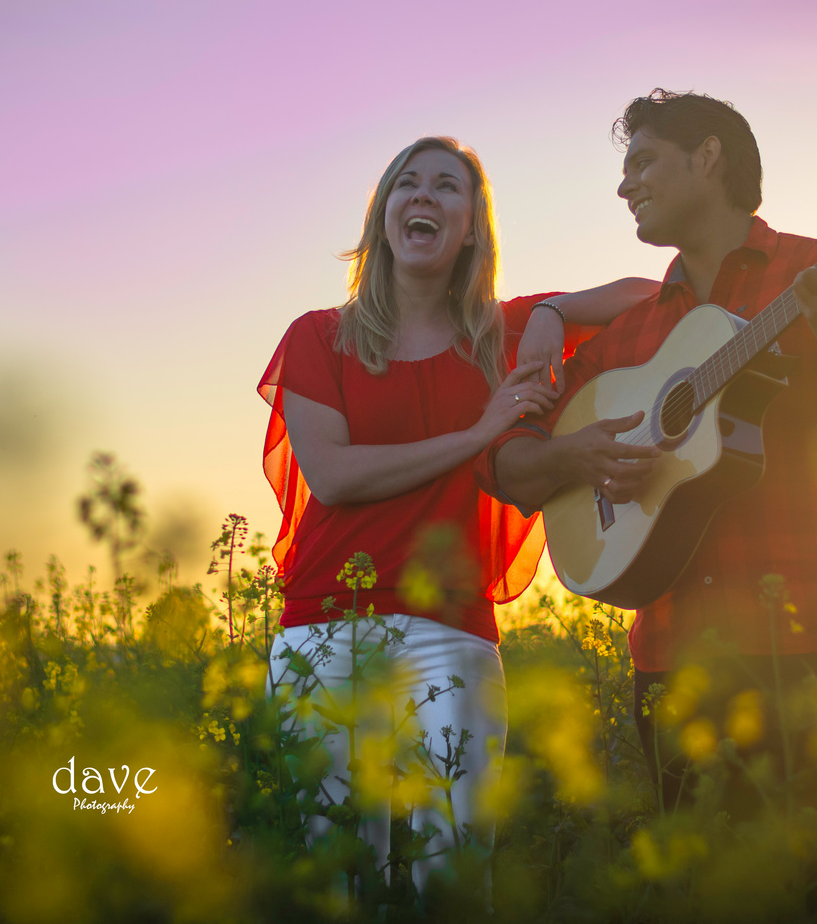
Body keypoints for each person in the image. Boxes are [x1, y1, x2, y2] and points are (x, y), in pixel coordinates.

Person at [477, 90, 817, 819]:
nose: (625, 186)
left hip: (811, 633)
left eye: (643, 161)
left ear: (708, 156)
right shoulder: (629, 334)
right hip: (673, 658)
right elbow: (504, 459)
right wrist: (576, 458)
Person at [257, 135, 656, 889]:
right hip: (323, 629)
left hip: (453, 631)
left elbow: (659, 296)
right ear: (383, 215)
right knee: (341, 880)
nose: (424, 197)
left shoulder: (504, 334)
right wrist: (477, 434)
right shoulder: (319, 336)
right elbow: (335, 477)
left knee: (457, 876)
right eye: (407, 184)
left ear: (471, 225)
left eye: (447, 187)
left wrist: (558, 311)